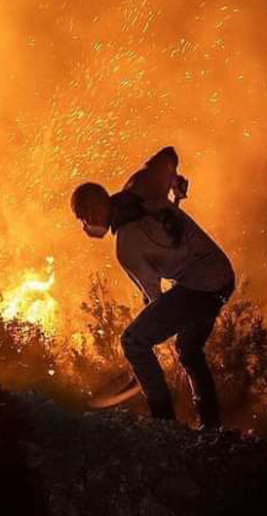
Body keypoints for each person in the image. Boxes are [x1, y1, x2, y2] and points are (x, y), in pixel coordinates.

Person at [71, 147, 235, 429]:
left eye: (82, 220)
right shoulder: (140, 185)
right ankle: (212, 427)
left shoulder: (126, 247)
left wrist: (143, 360)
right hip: (222, 276)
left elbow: (157, 302)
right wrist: (174, 186)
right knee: (188, 348)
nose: (84, 227)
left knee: (134, 342)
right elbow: (169, 154)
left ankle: (164, 423)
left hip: (201, 287)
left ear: (91, 214)